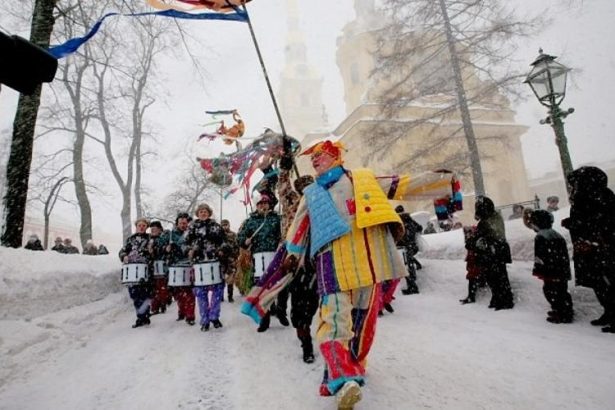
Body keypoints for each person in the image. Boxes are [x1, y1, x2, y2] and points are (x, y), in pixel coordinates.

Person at [281, 140, 458, 408]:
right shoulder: (311, 193)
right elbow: (298, 227)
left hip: (368, 259)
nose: (315, 160)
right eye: (313, 157)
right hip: (331, 263)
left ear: (337, 157)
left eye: (321, 155)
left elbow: (400, 185)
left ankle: (349, 369)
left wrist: (439, 181)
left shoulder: (362, 179)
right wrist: (291, 255)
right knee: (332, 322)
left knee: (364, 324)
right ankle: (343, 377)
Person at [562, 166, 615, 333]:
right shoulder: (588, 197)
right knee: (599, 284)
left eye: (575, 183)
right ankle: (609, 312)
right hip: (590, 249)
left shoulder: (599, 197)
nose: (573, 186)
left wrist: (575, 224)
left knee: (608, 283)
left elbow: (599, 222)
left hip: (600, 249)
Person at [237, 191, 287, 332]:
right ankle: (265, 318)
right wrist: (244, 241)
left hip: (275, 256)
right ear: (257, 206)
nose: (263, 206)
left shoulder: (277, 219)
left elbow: (285, 232)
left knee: (281, 286)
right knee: (261, 289)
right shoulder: (250, 221)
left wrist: (282, 240)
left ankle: (281, 311)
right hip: (259, 257)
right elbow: (240, 239)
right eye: (261, 204)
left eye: (265, 203)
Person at [466, 196, 514, 310]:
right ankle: (501, 299)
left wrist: (470, 242)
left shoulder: (485, 222)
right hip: (498, 252)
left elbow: (480, 238)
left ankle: (501, 300)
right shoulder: (496, 217)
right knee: (501, 277)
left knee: (494, 278)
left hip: (491, 254)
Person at [186, 203, 226, 331]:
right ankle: (204, 320)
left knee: (218, 292)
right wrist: (189, 250)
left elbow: (225, 242)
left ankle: (214, 316)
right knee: (200, 294)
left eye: (205, 211)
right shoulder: (192, 227)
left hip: (214, 262)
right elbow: (184, 243)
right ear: (197, 214)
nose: (203, 213)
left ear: (209, 213)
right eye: (201, 211)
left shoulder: (216, 226)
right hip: (199, 264)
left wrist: (222, 249)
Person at [530, 210, 574, 323]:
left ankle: (561, 313)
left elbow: (540, 256)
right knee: (562, 291)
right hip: (561, 269)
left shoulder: (540, 237)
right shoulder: (556, 234)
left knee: (551, 291)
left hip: (551, 271)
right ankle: (566, 310)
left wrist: (539, 269)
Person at [118, 218, 154, 328]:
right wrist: (124, 256)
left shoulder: (150, 239)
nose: (141, 227)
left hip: (146, 271)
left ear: (146, 227)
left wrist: (152, 251)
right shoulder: (131, 239)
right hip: (133, 272)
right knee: (134, 295)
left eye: (144, 225)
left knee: (145, 294)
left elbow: (155, 252)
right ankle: (141, 315)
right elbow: (123, 250)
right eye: (140, 225)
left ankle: (143, 316)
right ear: (136, 226)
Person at [165, 212, 196, 326]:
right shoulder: (170, 235)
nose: (183, 225)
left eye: (185, 222)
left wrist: (192, 250)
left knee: (189, 291)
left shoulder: (192, 234)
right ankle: (182, 311)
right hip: (174, 266)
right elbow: (161, 246)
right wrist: (166, 248)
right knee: (177, 292)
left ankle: (190, 315)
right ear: (177, 223)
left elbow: (196, 245)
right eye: (181, 223)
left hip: (188, 265)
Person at [395, 205, 424, 295]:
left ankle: (413, 287)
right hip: (413, 245)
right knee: (410, 262)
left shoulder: (399, 222)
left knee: (407, 266)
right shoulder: (410, 219)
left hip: (406, 246)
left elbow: (399, 235)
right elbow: (420, 228)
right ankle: (416, 269)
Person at [148, 221, 170, 315]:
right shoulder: (149, 239)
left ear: (160, 229)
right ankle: (155, 306)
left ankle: (162, 303)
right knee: (153, 287)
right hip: (152, 266)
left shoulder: (163, 238)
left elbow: (165, 249)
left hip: (162, 265)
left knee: (162, 286)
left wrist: (155, 249)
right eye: (151, 229)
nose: (153, 231)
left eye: (155, 229)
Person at [459, 226, 485, 304]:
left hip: (475, 260)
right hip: (474, 260)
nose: (466, 235)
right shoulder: (474, 239)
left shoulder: (474, 240)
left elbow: (470, 246)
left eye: (468, 233)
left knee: (472, 277)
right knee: (473, 277)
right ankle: (471, 296)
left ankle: (471, 297)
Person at [219, 219, 239, 303]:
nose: (224, 227)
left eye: (226, 225)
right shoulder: (218, 235)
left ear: (229, 225)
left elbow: (237, 246)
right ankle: (221, 296)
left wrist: (235, 257)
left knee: (230, 278)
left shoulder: (233, 235)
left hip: (231, 259)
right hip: (221, 260)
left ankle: (230, 296)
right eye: (223, 225)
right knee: (221, 278)